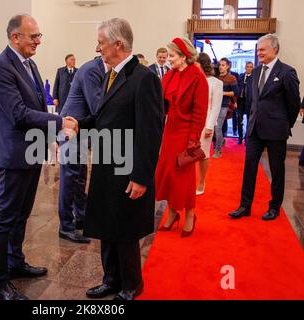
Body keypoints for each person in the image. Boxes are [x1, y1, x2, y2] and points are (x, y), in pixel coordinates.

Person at [0, 14, 77, 300]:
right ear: (15, 37)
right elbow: (18, 113)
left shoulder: (30, 63)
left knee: (22, 214)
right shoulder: (0, 67)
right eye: (33, 36)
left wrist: (50, 138)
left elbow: (38, 103)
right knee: (5, 218)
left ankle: (15, 261)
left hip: (32, 151)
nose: (38, 41)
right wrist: (60, 122)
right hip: (14, 155)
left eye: (39, 36)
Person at [76, 18, 163, 300]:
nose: (97, 48)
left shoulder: (144, 78)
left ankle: (131, 284)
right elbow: (103, 117)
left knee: (124, 232)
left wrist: (141, 177)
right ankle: (111, 279)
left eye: (101, 42)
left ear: (118, 44)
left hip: (127, 170)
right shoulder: (110, 74)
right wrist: (79, 124)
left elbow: (151, 133)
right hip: (106, 167)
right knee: (106, 226)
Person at [229, 34, 301, 221]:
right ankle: (245, 206)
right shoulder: (255, 72)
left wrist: (287, 124)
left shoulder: (287, 72)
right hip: (254, 130)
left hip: (276, 130)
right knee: (249, 168)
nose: (258, 52)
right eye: (258, 49)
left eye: (263, 49)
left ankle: (274, 207)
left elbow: (294, 103)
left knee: (277, 170)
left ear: (274, 49)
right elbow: (253, 101)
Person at [155, 37, 208, 237]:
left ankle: (189, 215)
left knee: (183, 178)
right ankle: (172, 213)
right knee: (168, 174)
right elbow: (161, 103)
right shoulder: (170, 75)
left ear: (184, 56)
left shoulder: (197, 77)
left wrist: (194, 139)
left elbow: (200, 112)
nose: (168, 59)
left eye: (172, 56)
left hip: (186, 133)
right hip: (170, 131)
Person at [58, 56, 108, 244]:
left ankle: (81, 216)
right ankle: (66, 226)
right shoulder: (91, 70)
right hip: (70, 129)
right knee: (69, 178)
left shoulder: (98, 68)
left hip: (81, 129)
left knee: (79, 176)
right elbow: (97, 107)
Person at [196, 53, 223, 196]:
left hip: (206, 122)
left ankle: (202, 180)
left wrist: (209, 126)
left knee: (203, 155)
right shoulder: (193, 79)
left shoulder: (216, 83)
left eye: (196, 63)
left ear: (203, 64)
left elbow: (215, 107)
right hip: (192, 121)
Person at [213, 58, 238, 159]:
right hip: (214, 105)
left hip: (224, 105)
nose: (220, 67)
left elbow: (235, 92)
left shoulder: (231, 78)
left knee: (217, 127)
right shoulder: (216, 77)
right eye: (220, 65)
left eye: (223, 65)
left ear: (228, 66)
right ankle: (221, 140)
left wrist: (222, 93)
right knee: (215, 127)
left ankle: (218, 150)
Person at [237, 61, 254, 144]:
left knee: (248, 120)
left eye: (251, 67)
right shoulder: (241, 76)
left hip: (249, 102)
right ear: (245, 68)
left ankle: (247, 138)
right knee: (239, 120)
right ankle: (239, 137)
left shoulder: (254, 78)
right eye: (248, 67)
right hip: (240, 101)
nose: (249, 68)